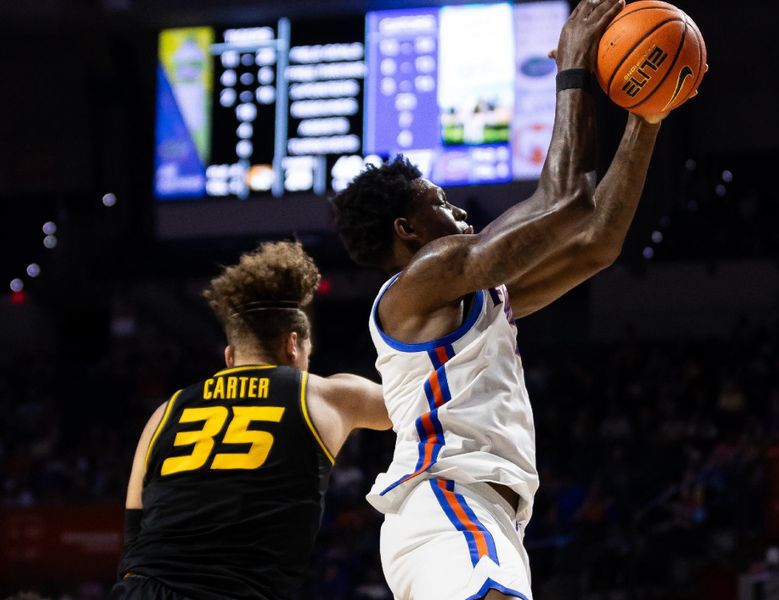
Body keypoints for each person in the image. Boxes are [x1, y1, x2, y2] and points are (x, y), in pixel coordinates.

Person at [332, 0, 683, 598]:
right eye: (440, 201)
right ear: (407, 230)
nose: (460, 211)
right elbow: (564, 201)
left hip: (481, 516)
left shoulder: (475, 297)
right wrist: (573, 68)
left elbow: (596, 242)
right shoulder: (421, 279)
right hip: (447, 503)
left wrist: (647, 120)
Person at [110, 241, 391, 600]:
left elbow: (133, 527)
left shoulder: (166, 412)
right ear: (293, 345)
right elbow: (422, 405)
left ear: (229, 356)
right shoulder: (324, 396)